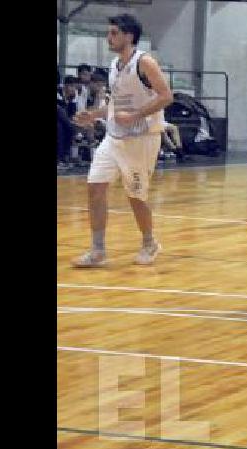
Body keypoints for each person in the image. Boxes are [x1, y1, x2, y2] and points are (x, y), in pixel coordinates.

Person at [70, 14, 173, 268]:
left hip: (142, 138)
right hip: (114, 137)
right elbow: (116, 104)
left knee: (135, 196)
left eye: (114, 33)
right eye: (109, 33)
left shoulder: (145, 62)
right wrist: (93, 115)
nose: (109, 37)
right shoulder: (115, 64)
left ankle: (150, 243)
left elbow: (166, 96)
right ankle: (98, 250)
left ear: (129, 36)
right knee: (95, 188)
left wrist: (136, 115)